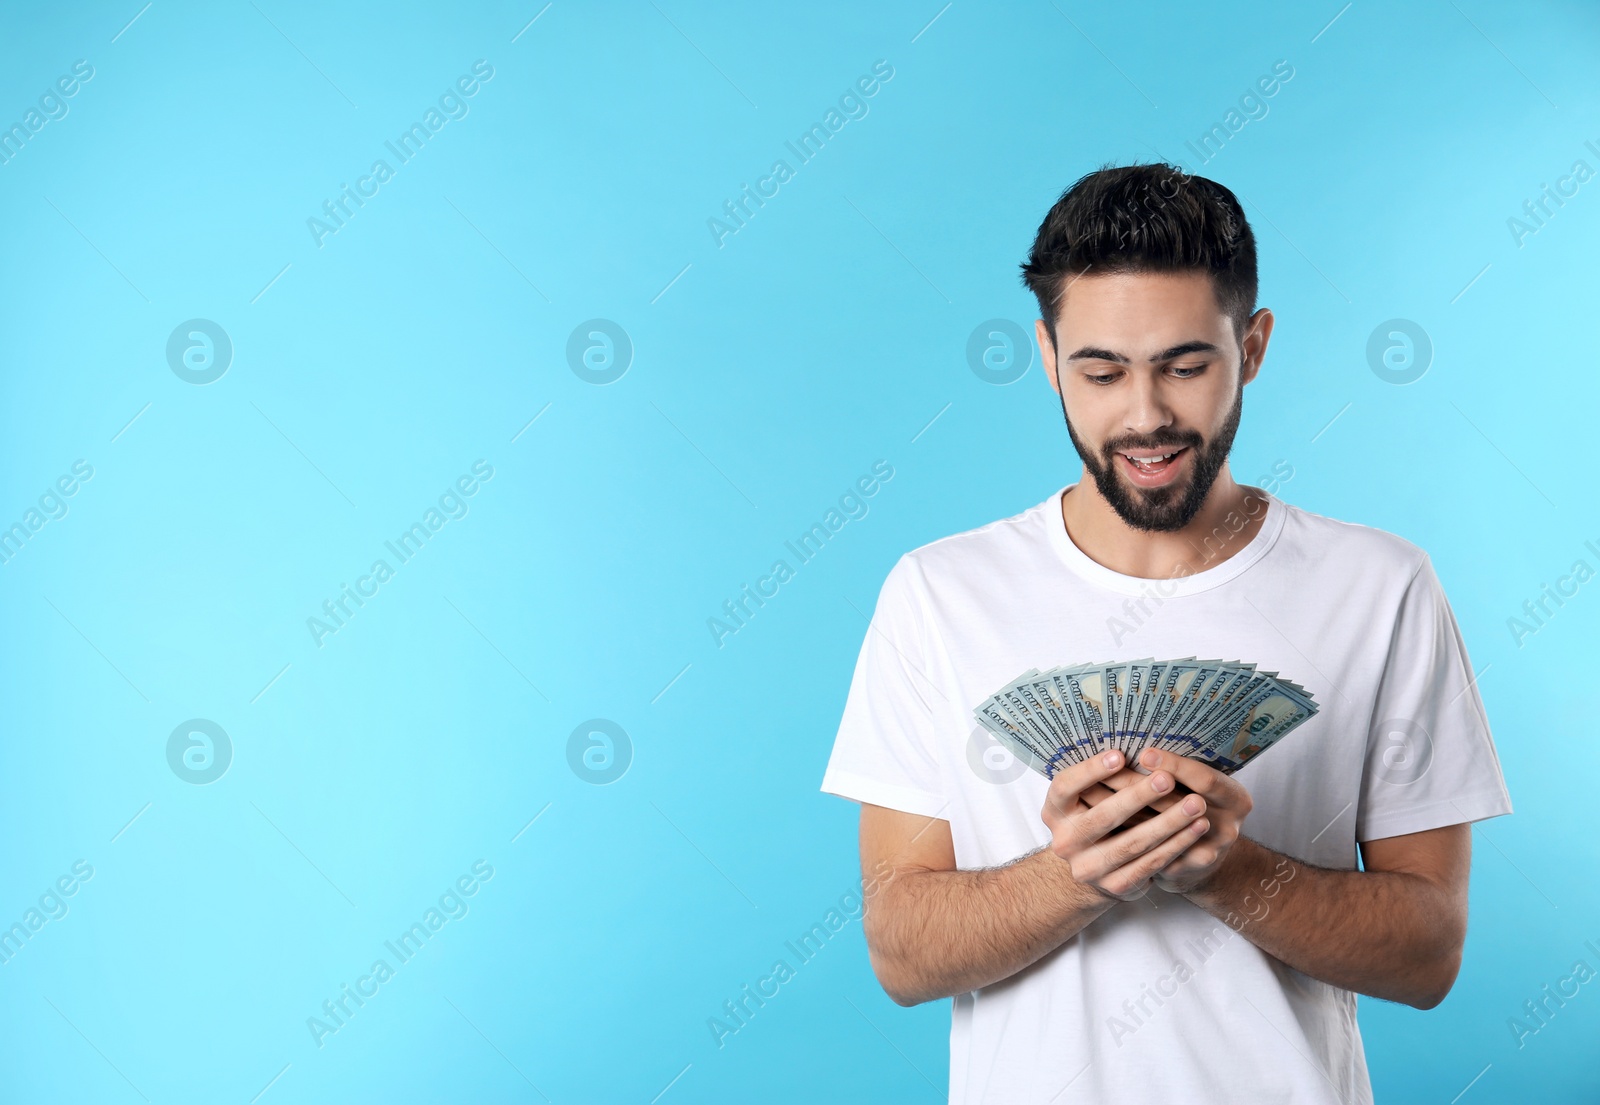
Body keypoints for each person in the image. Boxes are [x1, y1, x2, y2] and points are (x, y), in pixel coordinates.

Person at [818, 162, 1512, 1104]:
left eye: (1186, 366)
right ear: (1048, 355)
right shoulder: (939, 593)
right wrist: (1076, 875)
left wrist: (1228, 871)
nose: (1145, 416)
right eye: (1101, 370)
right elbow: (901, 951)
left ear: (1253, 348)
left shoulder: (1381, 586)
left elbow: (1429, 954)